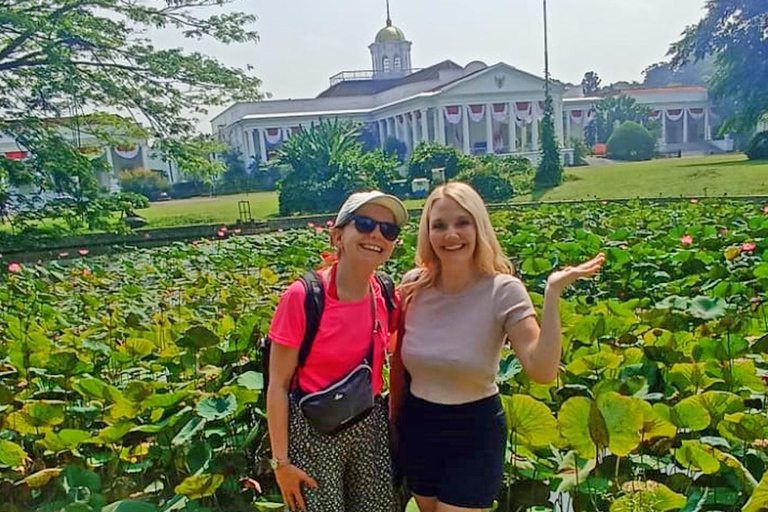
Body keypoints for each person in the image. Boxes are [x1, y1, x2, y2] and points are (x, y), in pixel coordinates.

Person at [391, 182, 604, 512]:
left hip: (474, 430)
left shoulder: (504, 290)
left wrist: (552, 293)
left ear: (479, 226)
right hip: (419, 425)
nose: (451, 235)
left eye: (463, 222)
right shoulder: (413, 287)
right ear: (427, 233)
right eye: (439, 225)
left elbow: (542, 370)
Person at [266, 190, 408, 512]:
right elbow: (277, 386)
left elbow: (405, 347)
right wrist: (281, 463)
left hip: (368, 424)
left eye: (388, 230)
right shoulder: (304, 298)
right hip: (314, 431)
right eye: (365, 223)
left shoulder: (385, 292)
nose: (377, 235)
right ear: (338, 235)